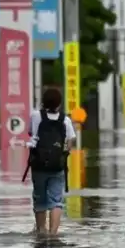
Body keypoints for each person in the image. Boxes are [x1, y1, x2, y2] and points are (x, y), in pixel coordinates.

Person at [27, 88, 76, 236]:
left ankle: (41, 231)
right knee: (56, 200)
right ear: (59, 103)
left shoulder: (36, 116)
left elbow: (30, 133)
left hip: (38, 164)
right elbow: (71, 140)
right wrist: (64, 152)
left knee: (40, 198)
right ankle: (53, 233)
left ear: (43, 101)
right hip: (57, 166)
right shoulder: (65, 119)